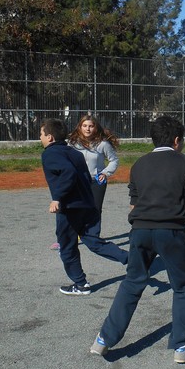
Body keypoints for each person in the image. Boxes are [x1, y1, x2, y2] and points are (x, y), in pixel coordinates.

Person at [90, 116, 185, 364]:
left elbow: (133, 204)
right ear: (177, 140)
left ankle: (104, 339)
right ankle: (181, 346)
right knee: (182, 286)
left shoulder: (139, 164)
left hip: (139, 230)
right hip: (171, 231)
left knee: (132, 282)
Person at [40, 118, 128, 296]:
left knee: (67, 246)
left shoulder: (50, 153)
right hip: (87, 204)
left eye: (41, 134)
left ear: (49, 137)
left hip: (71, 207)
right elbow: (84, 178)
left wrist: (57, 198)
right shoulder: (74, 152)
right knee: (93, 242)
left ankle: (81, 284)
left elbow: (68, 173)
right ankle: (134, 260)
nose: (40, 137)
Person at [67, 115, 120, 235]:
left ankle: (93, 235)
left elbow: (114, 160)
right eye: (84, 126)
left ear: (95, 128)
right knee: (76, 208)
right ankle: (72, 235)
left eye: (91, 126)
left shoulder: (103, 144)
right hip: (78, 181)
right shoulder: (73, 143)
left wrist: (106, 173)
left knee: (95, 209)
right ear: (80, 127)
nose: (87, 129)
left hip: (96, 181)